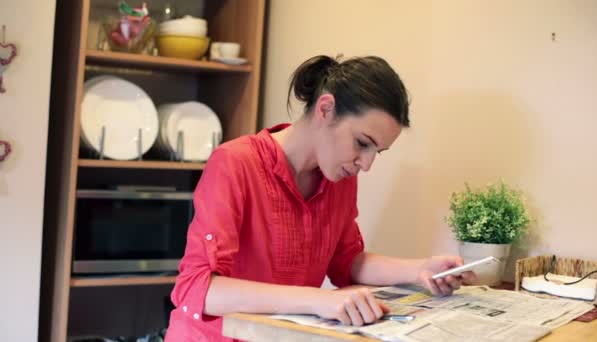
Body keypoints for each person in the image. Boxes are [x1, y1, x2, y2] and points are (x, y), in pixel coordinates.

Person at [165, 55, 475, 341]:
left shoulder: (338, 178)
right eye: (362, 143)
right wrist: (319, 300)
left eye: (377, 152)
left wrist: (420, 270)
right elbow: (199, 289)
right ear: (325, 109)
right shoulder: (235, 163)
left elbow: (347, 262)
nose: (366, 164)